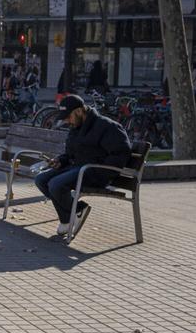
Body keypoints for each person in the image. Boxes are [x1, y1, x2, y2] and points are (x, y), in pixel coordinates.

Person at [33, 94, 132, 240]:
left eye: (68, 116)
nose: (67, 121)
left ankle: (76, 211)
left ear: (79, 111)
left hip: (96, 173)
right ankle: (71, 216)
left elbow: (121, 153)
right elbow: (70, 153)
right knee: (41, 180)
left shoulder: (107, 126)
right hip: (78, 168)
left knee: (55, 184)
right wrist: (60, 160)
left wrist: (100, 171)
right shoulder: (76, 126)